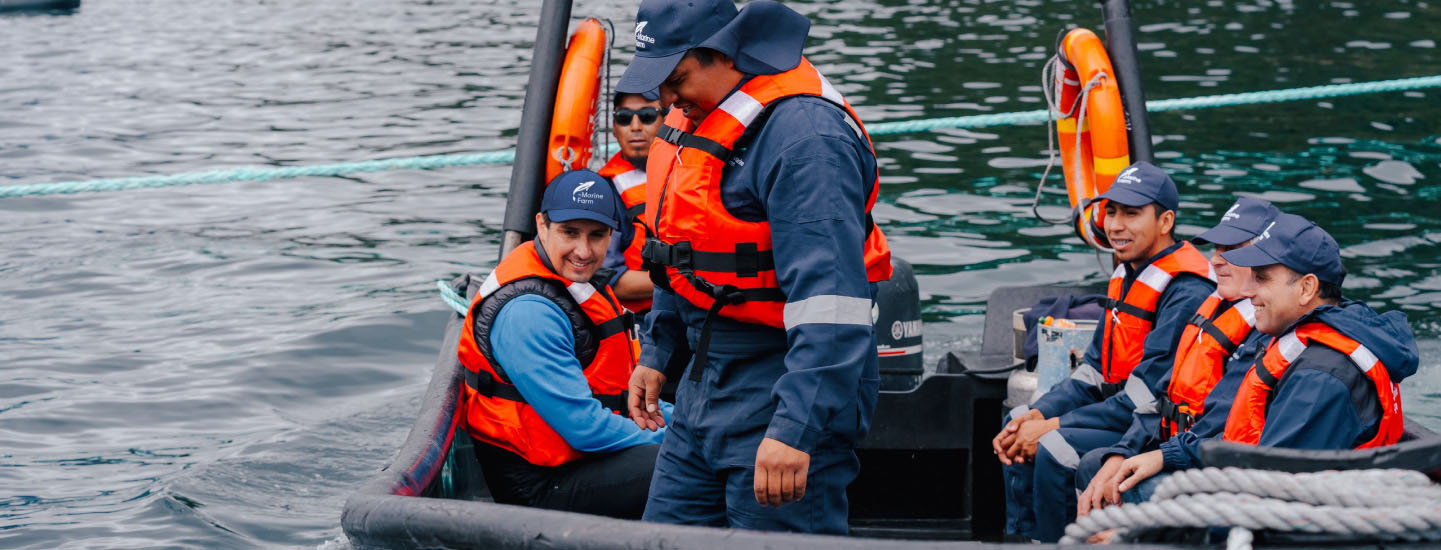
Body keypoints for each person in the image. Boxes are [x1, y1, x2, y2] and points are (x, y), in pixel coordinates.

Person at [616, 0, 893, 534]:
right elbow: (678, 249)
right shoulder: (694, 117)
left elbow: (832, 303)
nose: (666, 100)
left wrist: (795, 429)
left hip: (782, 384)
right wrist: (658, 351)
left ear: (726, 52)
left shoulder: (807, 139)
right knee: (659, 538)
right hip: (703, 386)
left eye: (676, 79)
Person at [1104, 213, 1418, 504]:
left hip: (1294, 519)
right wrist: (1170, 454)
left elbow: (1273, 492)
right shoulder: (1302, 342)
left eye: (1263, 278)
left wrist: (1135, 529)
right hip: (1258, 489)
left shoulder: (1321, 376)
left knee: (1136, 491)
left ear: (1307, 288)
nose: (1249, 290)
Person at [994, 161, 1215, 542]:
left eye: (1131, 214)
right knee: (1016, 420)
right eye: (1111, 212)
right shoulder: (1127, 272)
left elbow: (1147, 397)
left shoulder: (1186, 291)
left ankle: (1058, 540)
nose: (1115, 225)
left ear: (1165, 222)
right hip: (1118, 409)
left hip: (1152, 425)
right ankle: (1024, 537)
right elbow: (1093, 370)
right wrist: (1039, 412)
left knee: (1055, 447)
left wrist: (1052, 426)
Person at [455, 169, 671, 519]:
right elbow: (586, 429)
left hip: (579, 457)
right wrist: (687, 439)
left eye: (597, 235)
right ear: (542, 226)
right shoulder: (528, 313)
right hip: (539, 485)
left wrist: (695, 424)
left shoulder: (569, 279)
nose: (583, 251)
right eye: (570, 233)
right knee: (682, 461)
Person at [1074, 197, 1279, 516]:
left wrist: (1162, 456)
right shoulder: (1212, 310)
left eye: (1233, 251)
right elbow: (1164, 396)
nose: (1217, 260)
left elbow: (1224, 423)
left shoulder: (1265, 330)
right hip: (1180, 443)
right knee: (1095, 465)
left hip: (1217, 466)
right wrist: (1124, 450)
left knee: (1130, 486)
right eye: (1217, 250)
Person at [597, 91, 666, 314]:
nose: (635, 127)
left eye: (647, 116)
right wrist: (694, 279)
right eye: (624, 118)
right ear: (614, 128)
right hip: (643, 322)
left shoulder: (692, 172)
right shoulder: (605, 193)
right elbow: (610, 279)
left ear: (667, 120)